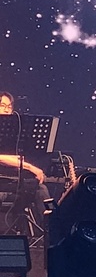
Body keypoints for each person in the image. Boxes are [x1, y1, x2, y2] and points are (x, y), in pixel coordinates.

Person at [0, 91, 52, 232]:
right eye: (3, 105)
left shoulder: (12, 133)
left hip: (10, 179)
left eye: (9, 106)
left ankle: (51, 230)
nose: (7, 109)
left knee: (40, 188)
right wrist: (30, 167)